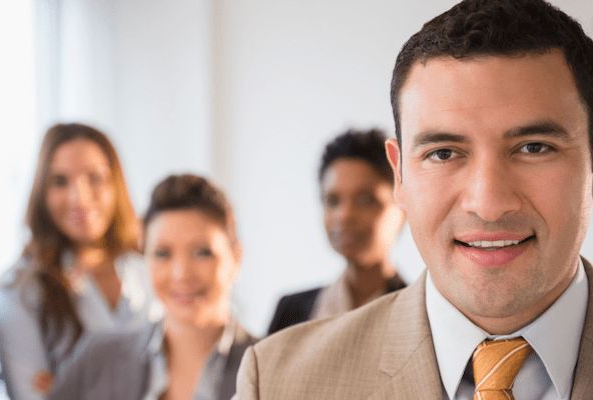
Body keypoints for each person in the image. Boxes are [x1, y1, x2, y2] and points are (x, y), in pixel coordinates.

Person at [233, 0, 593, 398]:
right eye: (443, 153)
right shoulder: (278, 382)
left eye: (534, 148)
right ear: (399, 174)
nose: (487, 204)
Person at [49, 174, 256, 400]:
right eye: (162, 254)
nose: (182, 274)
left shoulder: (272, 367)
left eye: (202, 253)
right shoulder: (96, 360)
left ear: (236, 258)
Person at [0, 123, 156, 399]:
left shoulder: (149, 268)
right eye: (60, 181)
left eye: (94, 177)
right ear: (41, 193)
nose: (79, 198)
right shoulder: (18, 291)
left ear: (115, 183)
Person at [268, 129, 406, 334]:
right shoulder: (291, 313)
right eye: (332, 201)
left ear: (403, 206)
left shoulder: (422, 315)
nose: (344, 215)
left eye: (365, 200)